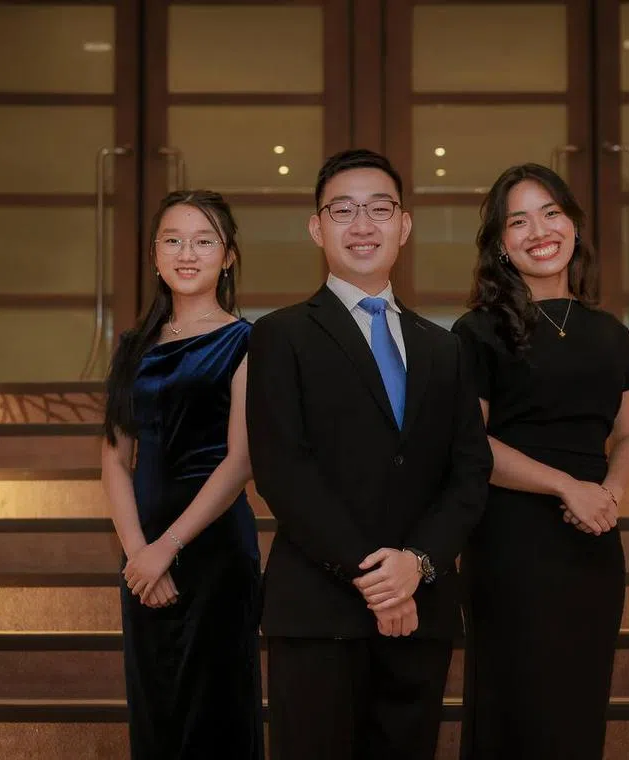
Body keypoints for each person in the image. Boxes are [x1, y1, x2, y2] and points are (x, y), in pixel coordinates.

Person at [246, 149, 492, 760]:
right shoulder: (279, 335)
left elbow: (469, 472)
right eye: (344, 210)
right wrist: (378, 580)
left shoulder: (445, 349)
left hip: (423, 610)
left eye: (379, 210)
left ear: (404, 226)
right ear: (317, 227)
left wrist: (419, 564)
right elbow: (283, 470)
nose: (363, 225)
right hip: (318, 608)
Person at [453, 163, 629, 759]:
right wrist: (569, 487)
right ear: (502, 246)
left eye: (551, 212)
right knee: (515, 707)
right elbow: (470, 444)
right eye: (518, 220)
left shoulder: (611, 334)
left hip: (593, 539)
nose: (539, 229)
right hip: (511, 540)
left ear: (574, 227)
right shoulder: (477, 330)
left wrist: (608, 494)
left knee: (578, 709)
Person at [100, 190, 262, 759]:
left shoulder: (247, 341)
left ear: (229, 256)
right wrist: (138, 553)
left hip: (213, 550)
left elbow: (239, 461)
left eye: (204, 240)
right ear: (154, 255)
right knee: (157, 713)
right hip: (141, 554)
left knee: (215, 716)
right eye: (173, 240)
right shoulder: (132, 346)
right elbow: (116, 459)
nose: (186, 253)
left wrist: (167, 548)